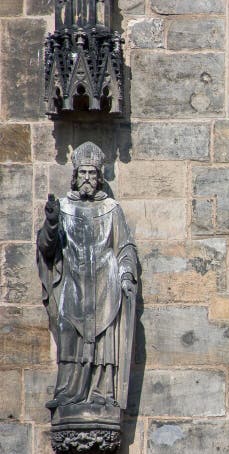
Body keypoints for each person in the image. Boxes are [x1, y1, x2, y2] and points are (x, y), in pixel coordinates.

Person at [37, 141, 137, 411]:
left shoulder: (112, 209)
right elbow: (47, 249)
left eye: (92, 174)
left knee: (104, 337)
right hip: (73, 286)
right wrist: (51, 222)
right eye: (83, 173)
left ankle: (102, 392)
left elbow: (125, 247)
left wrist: (126, 275)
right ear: (75, 176)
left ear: (99, 177)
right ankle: (69, 392)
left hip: (106, 285)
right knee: (69, 332)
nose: (87, 179)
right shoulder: (63, 209)